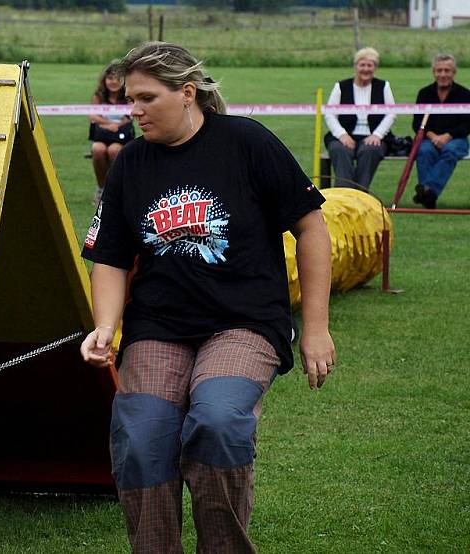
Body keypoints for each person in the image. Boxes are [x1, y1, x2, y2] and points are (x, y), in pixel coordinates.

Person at [80, 42, 335, 553]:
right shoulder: (130, 164)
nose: (134, 110)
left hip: (244, 322)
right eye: (131, 98)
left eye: (147, 98)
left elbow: (311, 228)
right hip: (159, 325)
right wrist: (106, 326)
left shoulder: (246, 142)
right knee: (141, 441)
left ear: (188, 93)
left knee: (218, 422)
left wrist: (315, 327)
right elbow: (108, 256)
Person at [324, 47, 396, 190]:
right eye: (362, 65)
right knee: (340, 149)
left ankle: (360, 193)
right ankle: (343, 193)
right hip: (345, 135)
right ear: (355, 66)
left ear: (375, 67)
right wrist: (342, 134)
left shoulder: (383, 86)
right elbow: (330, 113)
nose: (366, 69)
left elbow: (391, 113)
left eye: (370, 65)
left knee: (370, 150)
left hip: (373, 136)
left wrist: (377, 135)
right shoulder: (341, 86)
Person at [412, 53, 470, 209]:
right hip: (429, 138)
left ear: (454, 72)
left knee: (450, 151)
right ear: (434, 72)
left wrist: (447, 136)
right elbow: (417, 122)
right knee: (424, 151)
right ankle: (429, 196)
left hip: (456, 139)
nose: (443, 74)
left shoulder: (465, 94)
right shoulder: (424, 93)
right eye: (439, 70)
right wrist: (432, 136)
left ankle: (427, 191)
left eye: (447, 70)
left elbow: (467, 124)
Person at [89, 60, 134, 206]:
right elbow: (93, 116)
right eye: (110, 78)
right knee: (98, 149)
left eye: (117, 78)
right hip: (103, 133)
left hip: (121, 135)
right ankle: (101, 188)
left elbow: (131, 116)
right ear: (104, 80)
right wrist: (109, 125)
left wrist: (118, 125)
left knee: (114, 150)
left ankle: (114, 189)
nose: (113, 82)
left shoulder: (128, 96)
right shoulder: (99, 96)